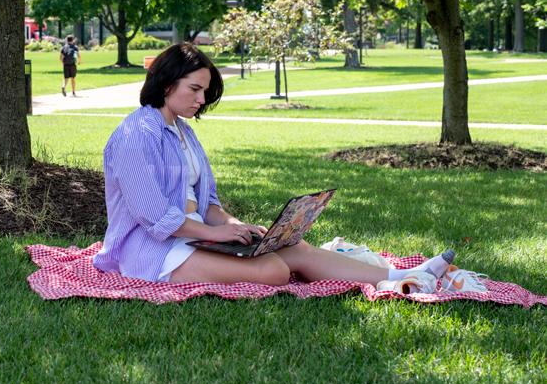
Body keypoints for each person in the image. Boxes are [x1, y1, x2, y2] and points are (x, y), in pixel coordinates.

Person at [93, 43, 486, 295]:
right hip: (151, 251)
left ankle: (404, 277)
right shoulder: (135, 135)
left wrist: (235, 226)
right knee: (276, 271)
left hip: (193, 236)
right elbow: (156, 218)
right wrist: (217, 233)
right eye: (194, 89)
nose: (201, 99)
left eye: (205, 92)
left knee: (288, 246)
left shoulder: (182, 131)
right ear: (165, 84)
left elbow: (207, 200)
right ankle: (399, 280)